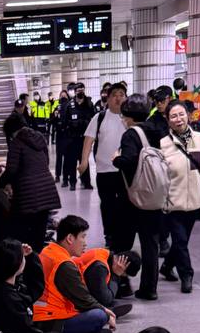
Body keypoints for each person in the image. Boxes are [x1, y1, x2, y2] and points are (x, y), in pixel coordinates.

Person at [156, 101, 200, 294]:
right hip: (173, 203)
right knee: (181, 241)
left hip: (195, 201)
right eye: (173, 116)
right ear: (168, 120)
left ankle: (166, 266)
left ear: (188, 116)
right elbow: (159, 176)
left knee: (182, 241)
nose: (178, 119)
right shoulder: (163, 144)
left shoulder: (199, 139)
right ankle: (187, 275)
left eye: (181, 114)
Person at [33, 216, 114, 333]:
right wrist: (105, 312)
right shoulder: (64, 264)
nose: (85, 242)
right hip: (53, 323)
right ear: (70, 238)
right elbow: (83, 299)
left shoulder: (48, 251)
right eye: (82, 237)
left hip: (42, 318)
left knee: (97, 311)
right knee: (99, 316)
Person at [115, 94, 164, 302]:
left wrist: (116, 159)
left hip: (133, 198)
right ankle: (149, 289)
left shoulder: (131, 135)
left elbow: (127, 161)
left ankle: (123, 284)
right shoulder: (159, 131)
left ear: (128, 116)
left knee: (123, 241)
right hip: (155, 195)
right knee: (151, 244)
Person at [0, 112, 61, 253]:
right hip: (47, 189)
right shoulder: (39, 137)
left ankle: (27, 264)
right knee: (39, 233)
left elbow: (11, 170)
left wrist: (0, 183)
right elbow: (46, 161)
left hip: (29, 195)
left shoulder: (16, 143)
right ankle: (39, 261)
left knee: (24, 234)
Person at [79, 83, 131, 248]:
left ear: (126, 97)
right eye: (114, 94)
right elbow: (89, 139)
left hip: (125, 170)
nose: (118, 97)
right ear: (107, 98)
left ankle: (122, 234)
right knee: (107, 204)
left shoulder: (130, 118)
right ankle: (109, 234)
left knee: (125, 204)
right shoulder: (100, 117)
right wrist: (84, 161)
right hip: (104, 170)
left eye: (121, 94)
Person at [75, 246, 141, 313]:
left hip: (77, 290)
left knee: (116, 301)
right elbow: (105, 300)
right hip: (72, 298)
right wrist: (116, 275)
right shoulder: (100, 268)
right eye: (123, 274)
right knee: (104, 309)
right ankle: (108, 312)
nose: (121, 275)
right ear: (123, 267)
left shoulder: (104, 254)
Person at [57, 90, 90, 192]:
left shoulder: (87, 105)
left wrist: (83, 123)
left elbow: (91, 119)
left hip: (83, 138)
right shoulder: (69, 106)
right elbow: (64, 121)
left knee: (84, 160)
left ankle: (86, 182)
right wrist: (71, 125)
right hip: (72, 138)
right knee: (71, 162)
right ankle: (72, 182)